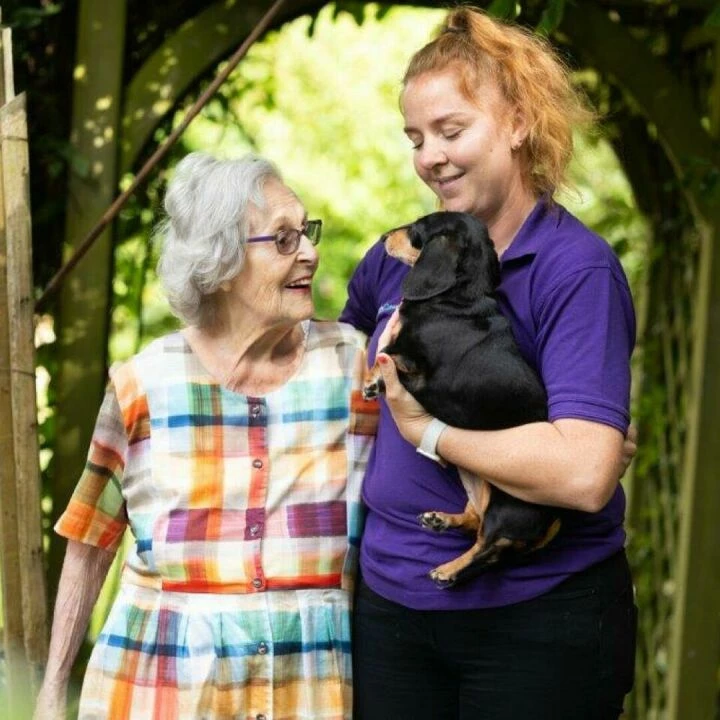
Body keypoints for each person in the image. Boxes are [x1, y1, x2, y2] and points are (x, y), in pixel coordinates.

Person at [340, 7, 638, 719]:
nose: (429, 157)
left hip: (538, 624)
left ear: (517, 124)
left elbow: (583, 474)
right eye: (415, 138)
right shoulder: (400, 256)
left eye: (451, 131)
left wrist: (429, 433)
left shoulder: (576, 270)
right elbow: (327, 363)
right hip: (390, 610)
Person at [33, 152, 376, 720]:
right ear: (220, 262)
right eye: (284, 240)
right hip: (156, 692)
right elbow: (92, 540)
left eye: (306, 233)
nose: (310, 253)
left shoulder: (356, 371)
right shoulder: (144, 383)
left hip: (307, 693)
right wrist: (49, 696)